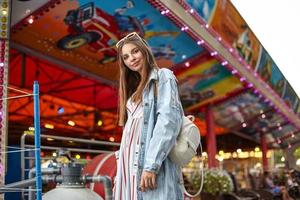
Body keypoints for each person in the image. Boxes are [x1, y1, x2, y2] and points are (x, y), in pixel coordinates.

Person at [113, 32, 184, 200]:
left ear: (145, 51)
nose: (131, 58)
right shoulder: (134, 91)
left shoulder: (162, 77)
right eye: (126, 57)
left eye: (135, 51)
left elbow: (167, 122)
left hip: (148, 164)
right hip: (129, 168)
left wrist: (151, 166)